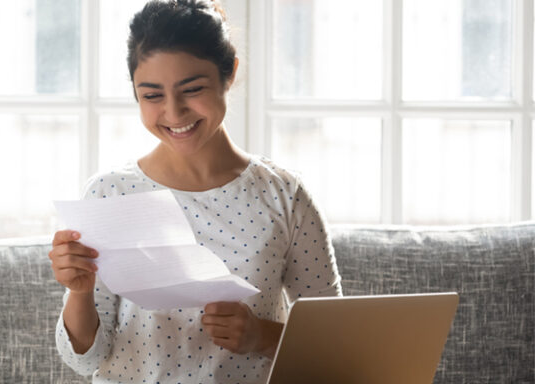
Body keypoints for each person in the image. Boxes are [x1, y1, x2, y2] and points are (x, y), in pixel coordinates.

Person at [48, 1, 342, 382]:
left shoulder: (285, 195)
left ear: (230, 73)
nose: (174, 113)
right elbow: (86, 361)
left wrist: (263, 336)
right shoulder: (109, 194)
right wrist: (81, 292)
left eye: (192, 89)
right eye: (152, 95)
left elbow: (337, 348)